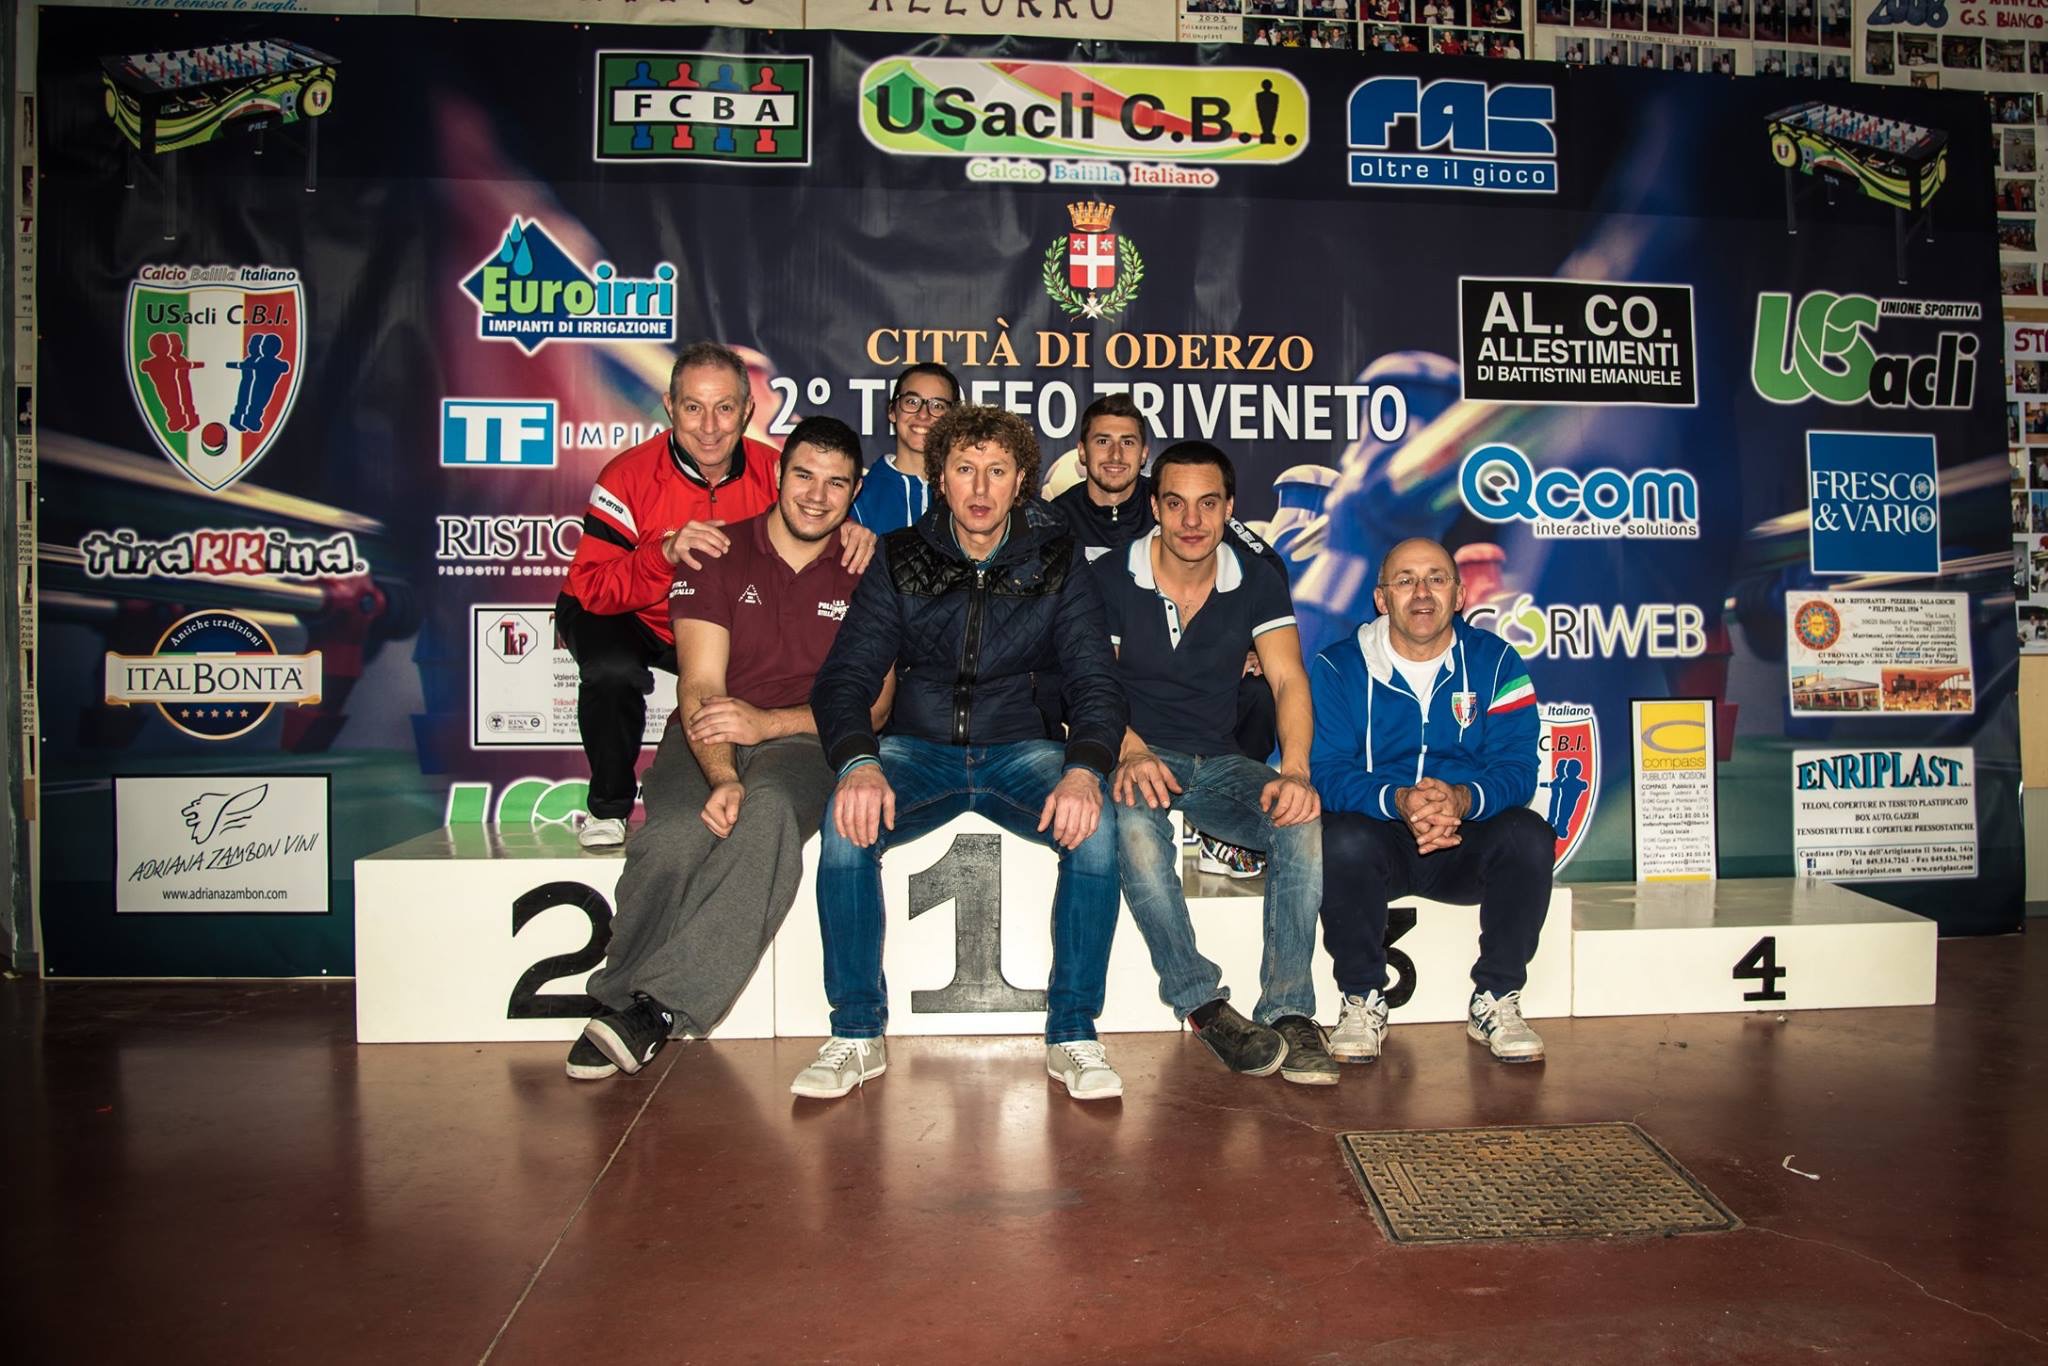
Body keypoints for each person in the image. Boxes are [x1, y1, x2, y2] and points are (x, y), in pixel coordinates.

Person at [802, 405, 1130, 1102]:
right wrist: (859, 761)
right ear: (941, 479)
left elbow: (1096, 682)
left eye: (997, 471)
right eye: (964, 470)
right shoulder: (899, 556)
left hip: (1022, 750)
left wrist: (1084, 769)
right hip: (916, 750)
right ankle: (856, 1032)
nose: (980, 488)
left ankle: (1073, 1033)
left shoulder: (1057, 558)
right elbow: (845, 678)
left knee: (1098, 827)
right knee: (844, 821)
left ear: (1021, 482)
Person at [570, 416, 888, 1079]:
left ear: (855, 490)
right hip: (709, 728)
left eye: (836, 484)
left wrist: (767, 725)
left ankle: (658, 1009)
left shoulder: (870, 568)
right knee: (675, 838)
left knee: (766, 815)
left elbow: (875, 709)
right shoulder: (717, 550)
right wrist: (721, 776)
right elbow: (700, 683)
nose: (816, 496)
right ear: (778, 475)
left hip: (804, 736)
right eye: (803, 476)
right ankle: (618, 998)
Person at [556, 342, 873, 848]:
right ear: (669, 406)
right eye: (693, 407)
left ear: (747, 410)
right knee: (613, 670)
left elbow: (817, 511)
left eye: (724, 408)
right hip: (628, 612)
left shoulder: (776, 470)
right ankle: (609, 806)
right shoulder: (627, 474)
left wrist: (850, 532)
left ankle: (756, 779)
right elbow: (593, 587)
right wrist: (664, 553)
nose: (709, 427)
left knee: (757, 672)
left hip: (708, 618)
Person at [1095, 442, 1334, 1084]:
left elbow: (1288, 679)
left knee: (1300, 818)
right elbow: (1089, 686)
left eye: (1208, 504)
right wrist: (1129, 749)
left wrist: (1296, 770)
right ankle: (1201, 1004)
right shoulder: (1111, 576)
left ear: (1230, 508)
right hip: (1137, 753)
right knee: (1136, 830)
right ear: (1154, 507)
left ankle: (1289, 1010)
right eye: (1176, 504)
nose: (1192, 521)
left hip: (1220, 762)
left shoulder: (1256, 578)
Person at [1309, 537, 1555, 1066]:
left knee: (1530, 834)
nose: (1422, 593)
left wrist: (1462, 800)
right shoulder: (1337, 666)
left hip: (1465, 838)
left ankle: (1496, 998)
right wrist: (1397, 800)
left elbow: (1518, 769)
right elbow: (1327, 771)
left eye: (1436, 579)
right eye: (1405, 581)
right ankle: (1361, 999)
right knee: (1339, 838)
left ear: (1460, 594)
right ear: (1381, 598)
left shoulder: (1497, 662)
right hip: (1381, 840)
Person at [1048, 394, 1290, 879]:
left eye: (1127, 442)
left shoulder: (1178, 501)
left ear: (1144, 454)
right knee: (1061, 681)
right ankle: (1097, 779)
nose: (1115, 455)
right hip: (1092, 665)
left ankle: (1220, 814)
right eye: (1102, 441)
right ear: (1081, 451)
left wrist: (1249, 640)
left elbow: (1265, 564)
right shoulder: (1054, 517)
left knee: (1260, 693)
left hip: (1182, 679)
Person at [850, 362, 959, 534]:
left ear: (953, 418)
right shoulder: (858, 499)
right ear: (892, 411)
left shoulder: (967, 494)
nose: (923, 415)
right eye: (912, 402)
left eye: (937, 405)